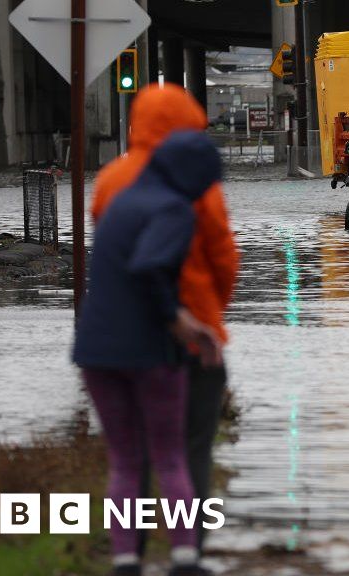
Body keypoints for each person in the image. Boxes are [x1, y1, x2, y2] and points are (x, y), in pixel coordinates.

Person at [92, 83, 240, 554]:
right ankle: (189, 549)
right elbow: (224, 258)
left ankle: (127, 554)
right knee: (190, 449)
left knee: (128, 456)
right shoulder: (196, 183)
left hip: (124, 336)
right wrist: (209, 313)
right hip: (191, 336)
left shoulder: (111, 179)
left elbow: (109, 250)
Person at [74, 130, 223, 576]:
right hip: (149, 351)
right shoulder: (174, 209)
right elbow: (150, 267)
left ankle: (124, 560)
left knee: (124, 460)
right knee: (170, 455)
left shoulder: (121, 203)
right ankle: (184, 558)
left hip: (96, 350)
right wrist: (183, 323)